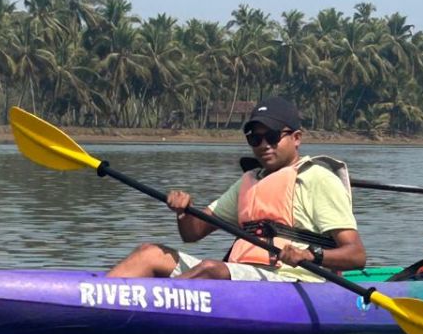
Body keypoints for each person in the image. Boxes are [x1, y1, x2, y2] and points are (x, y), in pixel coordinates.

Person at [105, 97, 367, 281]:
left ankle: (148, 307)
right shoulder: (251, 181)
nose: (263, 145)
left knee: (210, 269)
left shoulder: (318, 179)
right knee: (149, 254)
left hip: (294, 280)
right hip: (243, 274)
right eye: (255, 138)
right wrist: (183, 211)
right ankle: (97, 300)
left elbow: (356, 255)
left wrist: (309, 255)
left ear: (296, 138)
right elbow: (192, 234)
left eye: (272, 136)